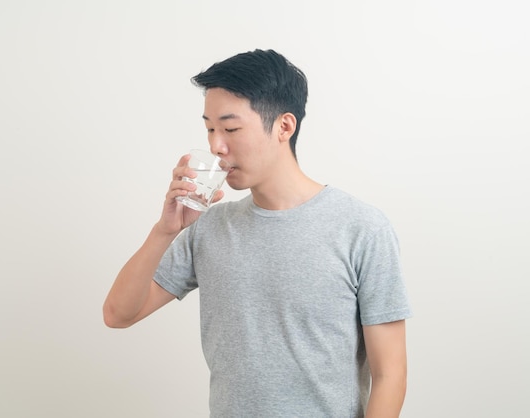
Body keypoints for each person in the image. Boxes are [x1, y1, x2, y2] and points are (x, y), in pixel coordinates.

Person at [103, 49, 412, 418]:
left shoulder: (361, 228)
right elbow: (118, 314)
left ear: (284, 127)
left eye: (231, 129)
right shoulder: (209, 227)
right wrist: (163, 231)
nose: (217, 146)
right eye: (210, 129)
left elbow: (390, 373)